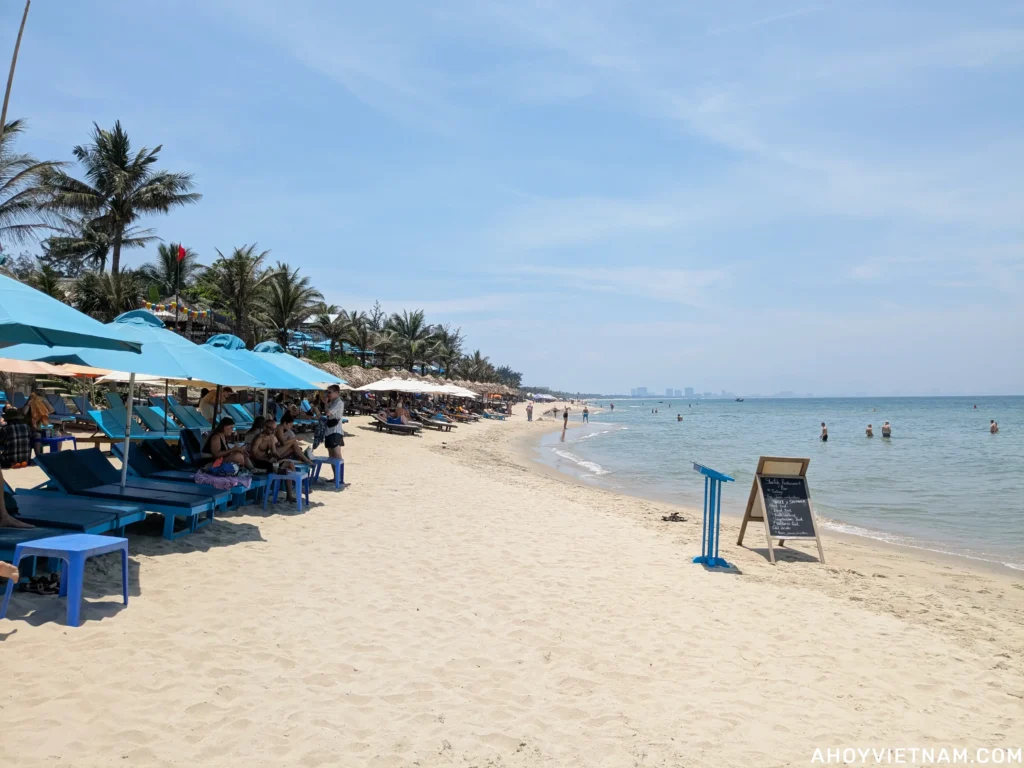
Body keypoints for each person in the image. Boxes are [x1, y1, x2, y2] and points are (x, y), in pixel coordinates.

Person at [321, 384, 345, 485]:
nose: (328, 394)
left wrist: (325, 403)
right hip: (329, 430)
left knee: (337, 455)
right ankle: (336, 477)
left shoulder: (339, 403)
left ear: (336, 393)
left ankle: (340, 478)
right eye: (327, 392)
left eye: (330, 392)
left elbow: (328, 413)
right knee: (331, 455)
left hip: (335, 431)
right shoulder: (333, 402)